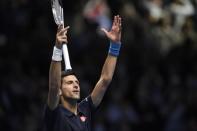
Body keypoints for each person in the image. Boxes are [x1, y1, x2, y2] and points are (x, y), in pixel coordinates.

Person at [42, 15, 122, 131]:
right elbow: (54, 86)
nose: (75, 85)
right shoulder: (55, 113)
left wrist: (115, 46)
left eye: (77, 82)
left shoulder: (85, 109)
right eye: (69, 83)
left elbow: (105, 80)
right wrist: (58, 48)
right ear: (60, 90)